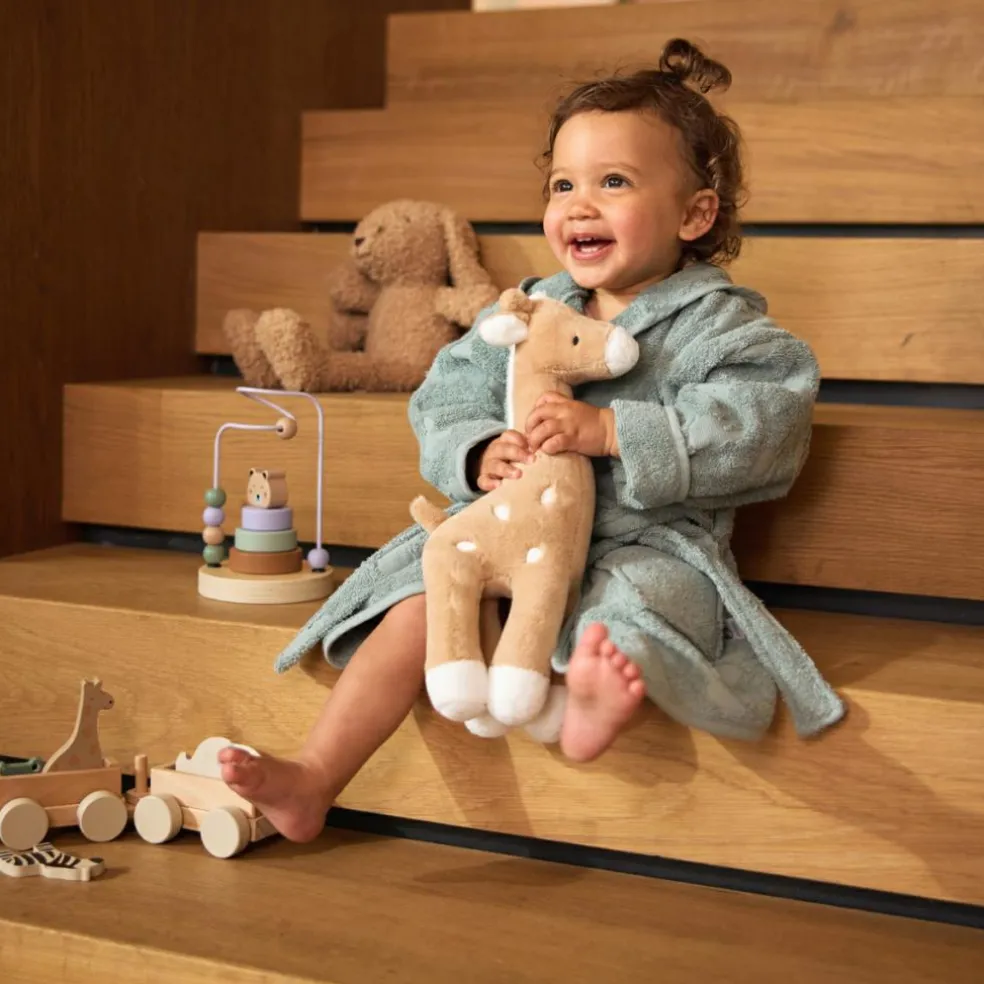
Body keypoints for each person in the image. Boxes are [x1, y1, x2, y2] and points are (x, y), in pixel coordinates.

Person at [220, 38, 843, 843]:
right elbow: (447, 392)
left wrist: (617, 430)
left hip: (642, 538)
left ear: (694, 214)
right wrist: (477, 449)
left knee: (635, 608)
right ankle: (315, 775)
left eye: (613, 182)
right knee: (417, 597)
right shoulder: (528, 308)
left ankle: (584, 701)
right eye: (563, 184)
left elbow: (765, 424)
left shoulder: (722, 328)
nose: (579, 205)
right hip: (511, 526)